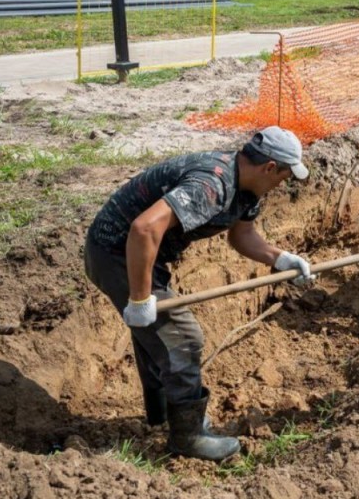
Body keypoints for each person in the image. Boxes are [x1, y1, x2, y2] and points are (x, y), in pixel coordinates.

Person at [83, 126, 315, 461]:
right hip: (117, 251)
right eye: (284, 176)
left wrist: (279, 258)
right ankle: (187, 437)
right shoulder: (213, 183)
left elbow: (242, 236)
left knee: (158, 334)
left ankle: (166, 416)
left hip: (143, 253)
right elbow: (144, 228)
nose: (283, 184)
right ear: (269, 168)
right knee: (183, 338)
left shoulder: (247, 190)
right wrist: (138, 298)